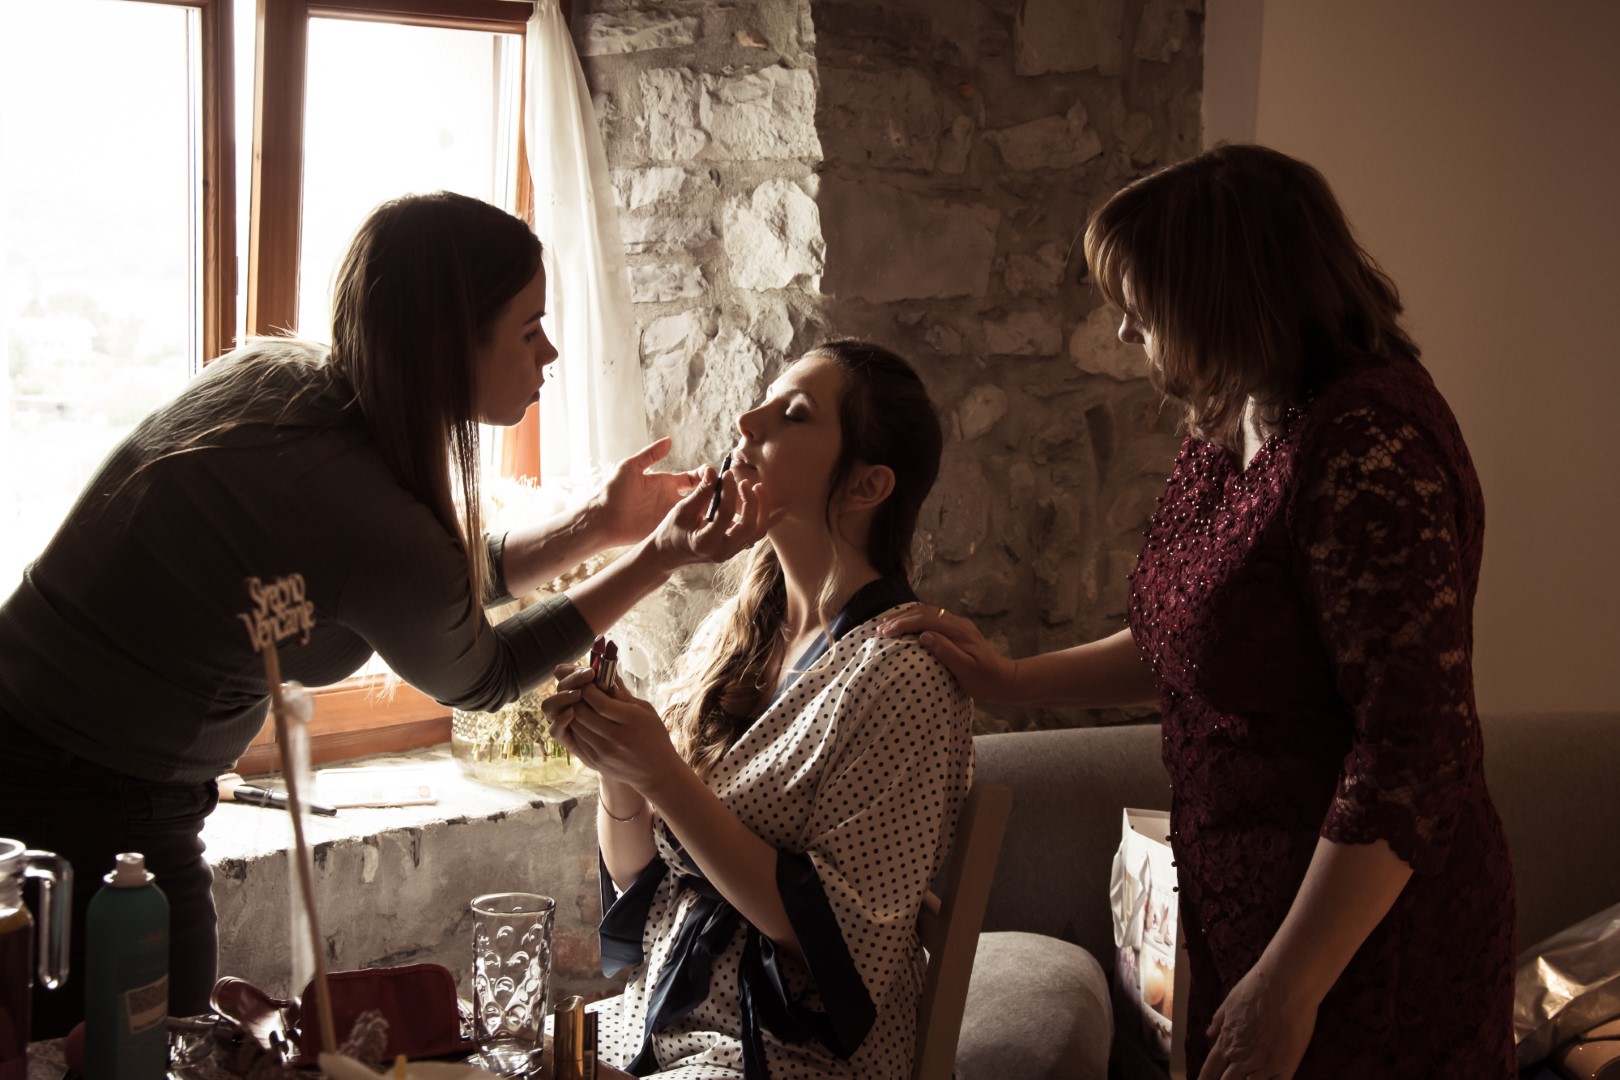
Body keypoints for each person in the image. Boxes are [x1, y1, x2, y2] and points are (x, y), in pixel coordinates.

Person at [0, 191, 769, 1037]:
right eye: (526, 328)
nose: (548, 350)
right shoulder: (367, 511)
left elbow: (414, 583)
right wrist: (659, 554)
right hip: (88, 803)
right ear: (447, 345)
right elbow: (485, 675)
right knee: (134, 1052)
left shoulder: (278, 384)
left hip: (42, 746)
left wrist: (596, 528)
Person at [880, 145, 1516, 1079]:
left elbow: (1414, 752)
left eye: (1142, 307)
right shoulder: (1238, 418)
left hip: (1368, 953)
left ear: (1230, 293)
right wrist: (1012, 681)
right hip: (1249, 911)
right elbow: (1203, 636)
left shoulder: (1369, 447)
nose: (1129, 334)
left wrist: (1291, 984)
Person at [542, 341, 974, 1080]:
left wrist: (663, 776)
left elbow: (841, 939)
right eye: (766, 400)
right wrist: (620, 771)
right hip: (666, 1021)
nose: (748, 418)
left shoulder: (904, 675)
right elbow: (645, 876)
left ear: (866, 485)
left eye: (793, 414)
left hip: (785, 1055)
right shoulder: (731, 635)